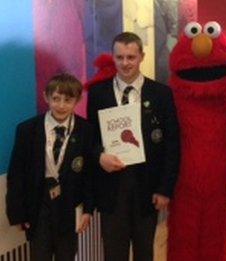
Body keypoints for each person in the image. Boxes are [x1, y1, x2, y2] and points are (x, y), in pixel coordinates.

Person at [86, 32, 180, 261]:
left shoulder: (161, 94)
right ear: (113, 58)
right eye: (120, 57)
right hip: (111, 189)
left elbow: (172, 144)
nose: (125, 63)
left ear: (141, 57)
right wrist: (99, 157)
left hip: (147, 189)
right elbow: (90, 138)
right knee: (113, 253)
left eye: (131, 57)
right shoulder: (99, 94)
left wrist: (165, 189)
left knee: (144, 252)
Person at [6, 73, 94, 261]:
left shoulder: (86, 130)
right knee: (39, 254)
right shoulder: (27, 130)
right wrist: (18, 213)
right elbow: (16, 175)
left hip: (70, 207)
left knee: (66, 254)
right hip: (38, 205)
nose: (61, 105)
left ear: (77, 100)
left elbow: (89, 176)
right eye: (56, 99)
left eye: (68, 100)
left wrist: (88, 209)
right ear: (46, 97)